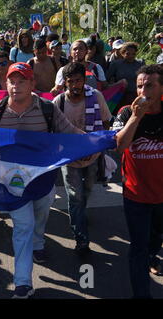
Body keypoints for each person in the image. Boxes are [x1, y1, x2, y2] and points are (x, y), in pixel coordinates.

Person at [0, 62, 82, 298]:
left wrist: (100, 140)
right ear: (6, 84)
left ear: (32, 83)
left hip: (43, 180)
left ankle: (39, 242)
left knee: (41, 214)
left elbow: (71, 133)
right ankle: (23, 283)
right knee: (22, 227)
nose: (16, 86)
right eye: (12, 81)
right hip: (13, 183)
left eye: (22, 80)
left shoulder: (48, 109)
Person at [113, 64, 163, 299]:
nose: (143, 91)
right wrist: (136, 116)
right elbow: (119, 145)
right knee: (138, 249)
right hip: (136, 196)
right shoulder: (126, 112)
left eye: (150, 85)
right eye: (140, 85)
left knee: (155, 241)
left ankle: (154, 254)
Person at [52, 62, 112, 253]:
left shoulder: (96, 97)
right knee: (75, 197)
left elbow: (105, 122)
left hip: (92, 157)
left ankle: (80, 214)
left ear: (84, 80)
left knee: (86, 190)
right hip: (69, 159)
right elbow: (52, 131)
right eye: (70, 82)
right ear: (65, 83)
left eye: (78, 80)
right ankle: (81, 239)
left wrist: (100, 146)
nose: (75, 85)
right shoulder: (58, 103)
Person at [107, 42, 145, 110]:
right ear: (123, 53)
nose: (131, 56)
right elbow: (106, 80)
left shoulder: (140, 64)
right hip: (119, 97)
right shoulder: (116, 64)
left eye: (133, 54)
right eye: (128, 54)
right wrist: (117, 83)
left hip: (136, 96)